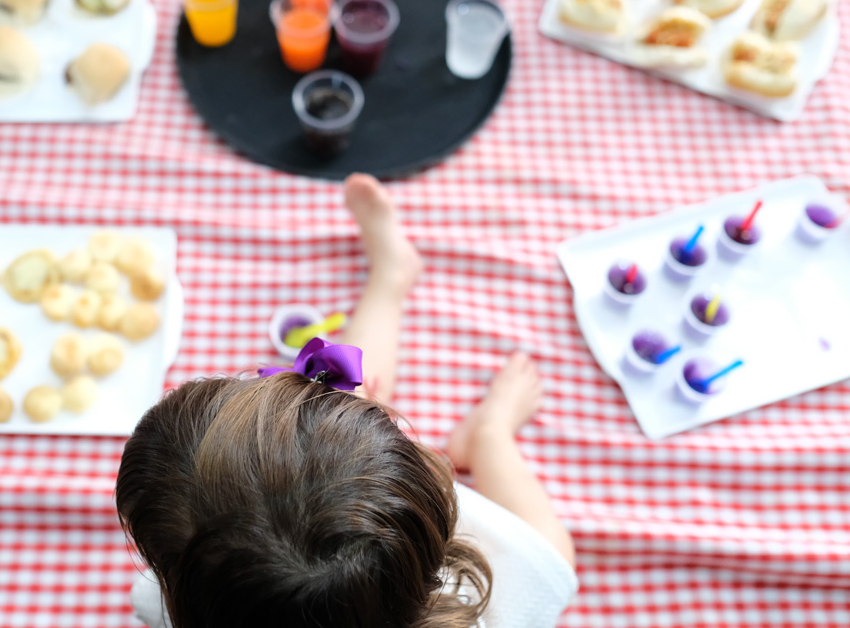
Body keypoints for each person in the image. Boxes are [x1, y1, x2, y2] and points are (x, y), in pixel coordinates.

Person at [116, 174, 577, 628]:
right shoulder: (486, 604)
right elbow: (548, 568)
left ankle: (392, 276)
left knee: (352, 393)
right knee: (551, 552)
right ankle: (487, 436)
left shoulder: (213, 601)